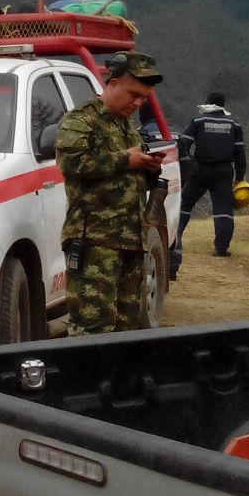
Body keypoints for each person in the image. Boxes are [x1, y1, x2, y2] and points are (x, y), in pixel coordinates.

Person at [56, 51, 167, 335]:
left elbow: (131, 173)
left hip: (131, 241)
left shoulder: (127, 128)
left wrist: (149, 167)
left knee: (127, 328)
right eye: (133, 94)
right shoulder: (82, 120)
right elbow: (71, 163)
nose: (137, 103)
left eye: (143, 98)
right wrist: (125, 160)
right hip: (95, 241)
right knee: (92, 327)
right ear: (113, 84)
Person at [176, 91, 247, 257]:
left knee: (185, 204)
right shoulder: (234, 124)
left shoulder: (198, 121)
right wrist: (240, 177)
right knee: (224, 208)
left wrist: (189, 165)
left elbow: (183, 144)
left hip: (201, 169)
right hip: (224, 171)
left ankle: (175, 239)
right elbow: (240, 152)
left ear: (208, 103)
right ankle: (221, 248)